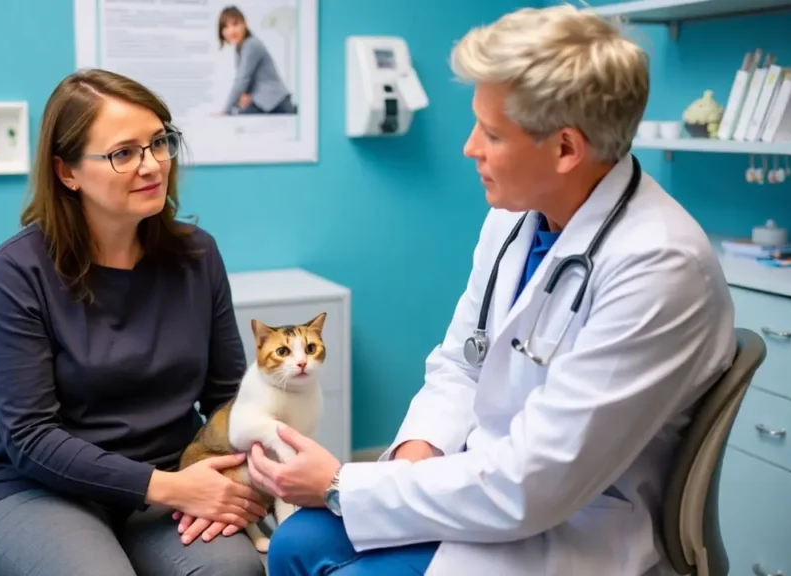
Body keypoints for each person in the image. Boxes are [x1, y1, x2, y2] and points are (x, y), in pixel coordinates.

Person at [250, 6, 737, 575]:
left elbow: (536, 483)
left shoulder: (659, 266)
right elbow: (463, 361)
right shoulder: (517, 217)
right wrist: (414, 457)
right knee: (293, 544)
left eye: (491, 132)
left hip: (575, 523)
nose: (468, 148)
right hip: (487, 483)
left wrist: (340, 483)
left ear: (565, 150)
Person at [0, 68, 268, 576]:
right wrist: (168, 487)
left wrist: (255, 468)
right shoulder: (17, 272)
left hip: (169, 478)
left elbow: (228, 395)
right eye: (124, 153)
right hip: (31, 490)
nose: (153, 165)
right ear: (67, 172)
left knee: (233, 571)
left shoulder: (197, 256)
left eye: (160, 142)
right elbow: (31, 439)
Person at [217, 5, 295, 115]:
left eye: (235, 24)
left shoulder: (251, 45)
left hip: (275, 103)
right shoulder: (240, 47)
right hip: (267, 103)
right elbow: (246, 83)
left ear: (244, 23)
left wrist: (224, 111)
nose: (231, 31)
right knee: (236, 116)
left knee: (236, 120)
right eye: (225, 27)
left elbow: (241, 81)